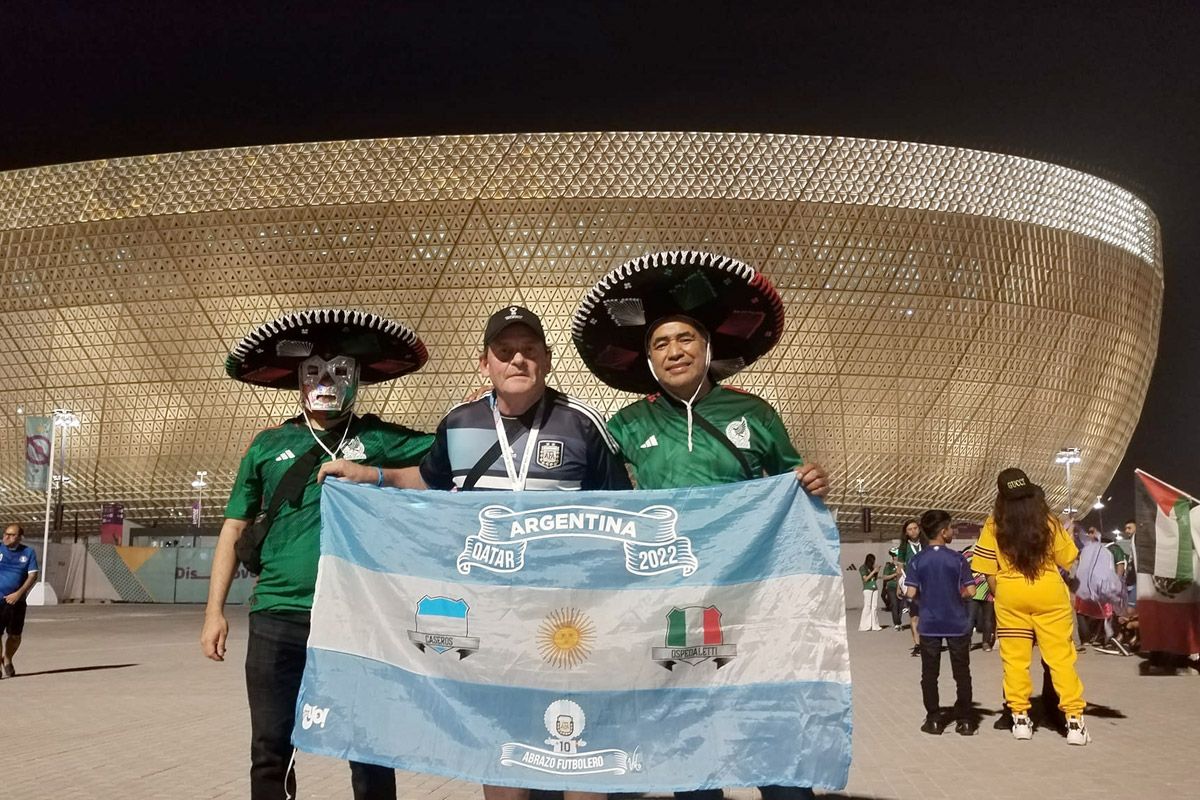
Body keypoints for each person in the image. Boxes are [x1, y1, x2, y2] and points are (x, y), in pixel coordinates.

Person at [323, 305, 624, 800]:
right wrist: (373, 476)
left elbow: (621, 511)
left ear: (547, 360)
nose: (517, 361)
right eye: (505, 352)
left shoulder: (582, 424)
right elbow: (429, 480)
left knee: (579, 750)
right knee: (501, 747)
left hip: (569, 619)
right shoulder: (459, 422)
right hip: (491, 616)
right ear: (484, 363)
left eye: (529, 351)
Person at [572, 250, 828, 800]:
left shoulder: (755, 415)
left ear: (709, 348)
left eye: (685, 339)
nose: (674, 351)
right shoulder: (627, 423)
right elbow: (604, 500)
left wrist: (808, 482)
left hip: (751, 602)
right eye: (660, 344)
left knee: (769, 730)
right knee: (692, 743)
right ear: (647, 359)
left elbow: (793, 487)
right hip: (671, 602)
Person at [200, 309, 434, 800]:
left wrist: (478, 411)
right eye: (313, 371)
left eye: (339, 370)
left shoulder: (381, 439)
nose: (326, 381)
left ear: (358, 378)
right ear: (297, 381)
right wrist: (214, 611)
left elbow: (449, 460)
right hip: (276, 616)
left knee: (367, 746)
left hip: (356, 617)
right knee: (270, 746)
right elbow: (235, 526)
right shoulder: (269, 445)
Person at [970, 468, 1089, 745]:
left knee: (1015, 660)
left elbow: (987, 569)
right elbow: (1068, 557)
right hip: (1048, 590)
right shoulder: (1048, 520)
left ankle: (1021, 718)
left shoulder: (992, 524)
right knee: (1060, 658)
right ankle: (1074, 722)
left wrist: (1003, 595)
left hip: (1011, 592)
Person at [905, 510, 976, 735]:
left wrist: (925, 598)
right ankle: (965, 720)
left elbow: (910, 592)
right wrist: (955, 595)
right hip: (956, 623)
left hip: (929, 623)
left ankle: (934, 719)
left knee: (929, 673)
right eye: (951, 528)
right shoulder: (958, 559)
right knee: (961, 672)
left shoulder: (917, 560)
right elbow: (970, 590)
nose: (952, 531)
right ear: (944, 531)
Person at [0, 523, 39, 678]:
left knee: (15, 636)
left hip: (17, 601)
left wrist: (18, 593)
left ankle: (7, 658)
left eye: (11, 534)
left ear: (20, 537)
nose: (6, 537)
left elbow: (33, 575)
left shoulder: (28, 553)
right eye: (5, 534)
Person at [896, 518, 928, 656]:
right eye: (909, 529)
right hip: (912, 585)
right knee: (914, 616)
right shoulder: (903, 548)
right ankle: (917, 644)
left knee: (927, 615)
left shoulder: (926, 544)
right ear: (906, 532)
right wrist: (899, 586)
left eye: (915, 528)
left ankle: (928, 641)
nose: (913, 531)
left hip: (927, 584)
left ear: (919, 529)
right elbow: (900, 568)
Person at [858, 554, 884, 631]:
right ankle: (864, 626)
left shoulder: (872, 568)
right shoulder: (862, 568)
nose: (873, 562)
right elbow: (865, 579)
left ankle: (875, 625)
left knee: (874, 607)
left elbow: (874, 578)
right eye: (872, 561)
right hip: (867, 588)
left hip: (874, 587)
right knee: (867, 606)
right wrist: (873, 571)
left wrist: (877, 571)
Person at [880, 548, 904, 630]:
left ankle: (899, 622)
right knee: (894, 604)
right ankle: (896, 623)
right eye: (896, 555)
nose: (897, 557)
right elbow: (884, 577)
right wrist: (894, 574)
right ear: (893, 557)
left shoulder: (902, 565)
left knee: (901, 606)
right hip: (891, 587)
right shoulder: (889, 566)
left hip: (901, 587)